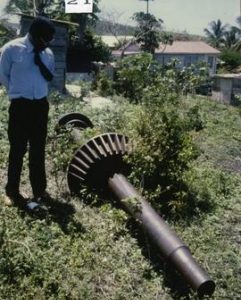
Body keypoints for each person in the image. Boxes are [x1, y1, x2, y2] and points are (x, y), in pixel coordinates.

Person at [0, 16, 55, 207]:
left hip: (40, 107)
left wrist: (40, 61)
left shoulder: (47, 53)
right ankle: (12, 191)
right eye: (43, 40)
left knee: (38, 150)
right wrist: (18, 92)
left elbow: (49, 77)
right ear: (32, 34)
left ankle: (39, 191)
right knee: (17, 150)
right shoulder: (11, 49)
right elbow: (4, 76)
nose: (45, 44)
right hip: (20, 107)